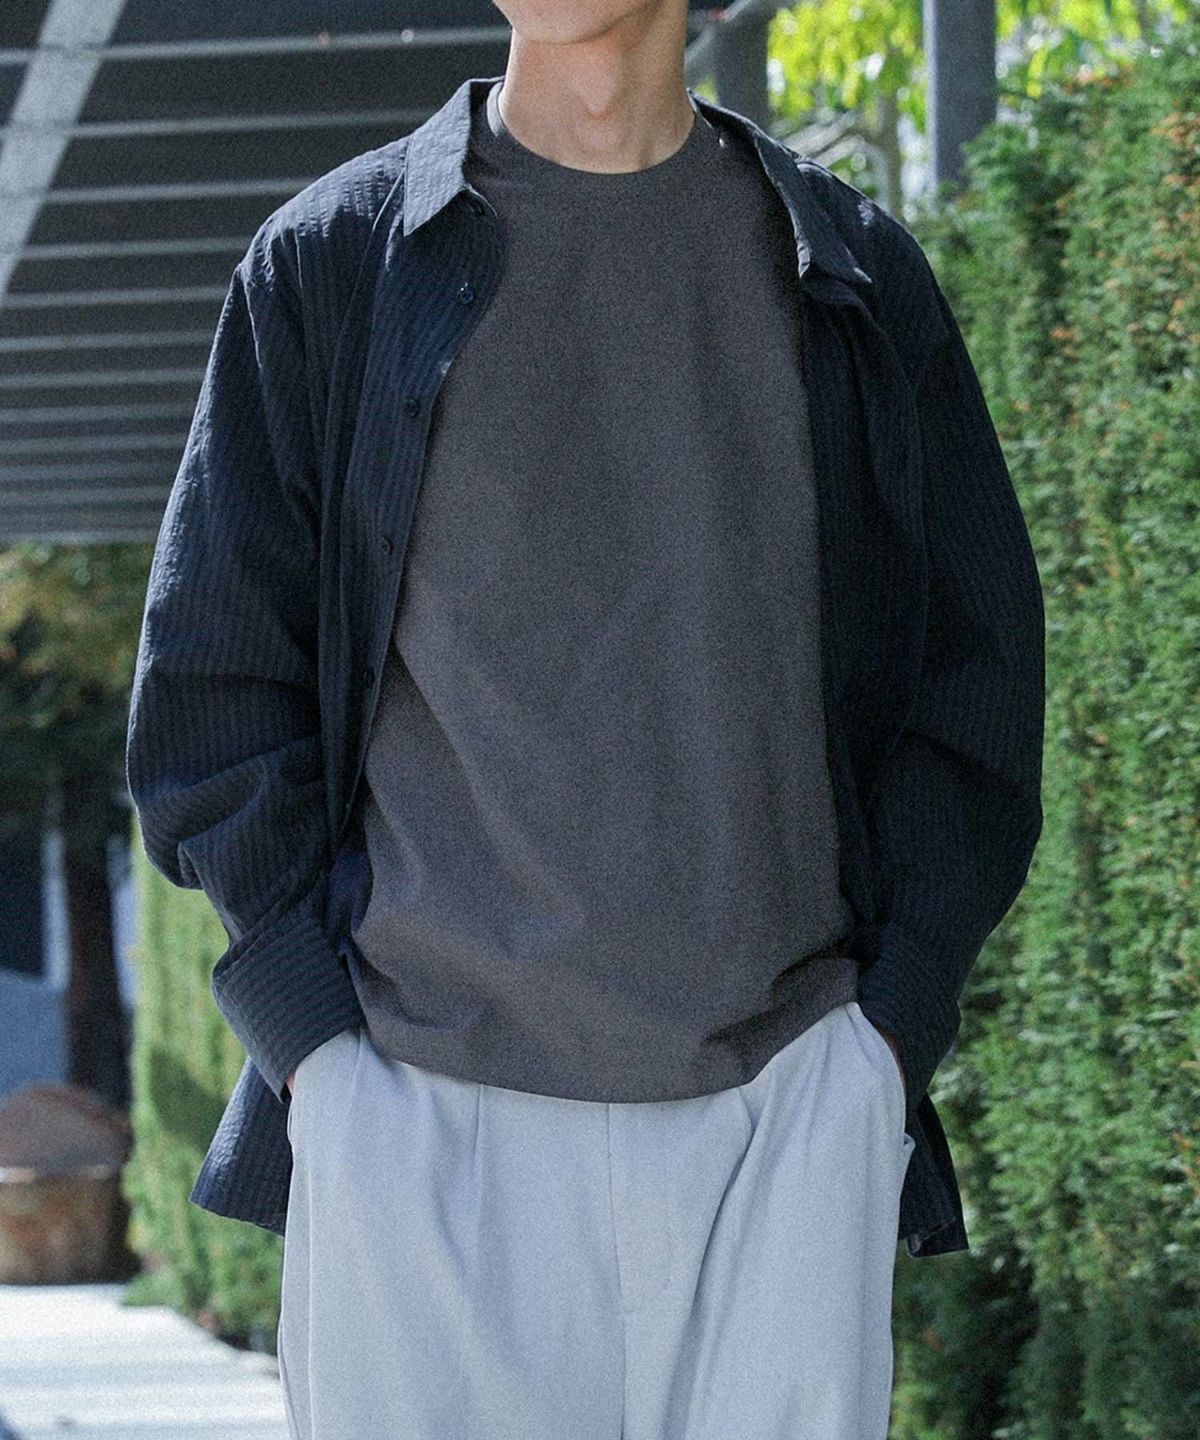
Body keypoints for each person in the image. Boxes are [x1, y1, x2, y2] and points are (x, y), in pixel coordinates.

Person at [125, 2, 1045, 1436]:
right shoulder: (335, 264)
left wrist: (883, 1045)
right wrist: (320, 1060)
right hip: (416, 1124)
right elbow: (211, 692)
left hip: (785, 1121)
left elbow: (972, 682)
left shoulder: (854, 275)